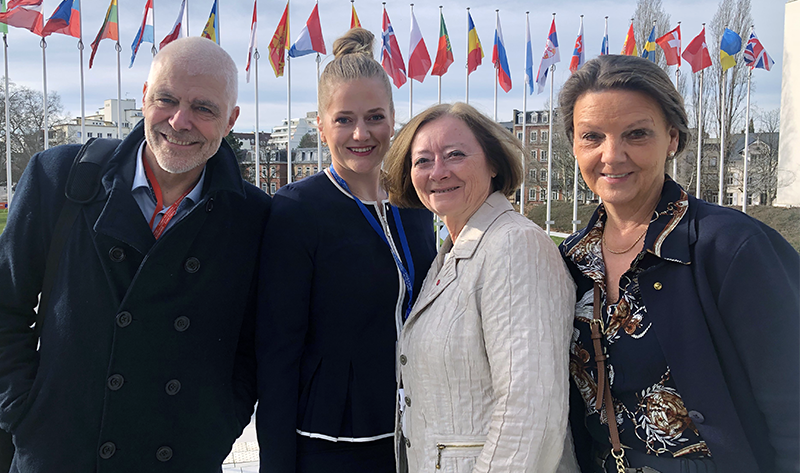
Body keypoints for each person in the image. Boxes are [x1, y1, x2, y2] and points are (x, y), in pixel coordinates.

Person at [0, 36, 269, 472]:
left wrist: (216, 431)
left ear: (231, 120)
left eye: (204, 108)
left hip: (179, 459)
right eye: (166, 99)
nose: (180, 121)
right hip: (59, 456)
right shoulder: (59, 178)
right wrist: (24, 414)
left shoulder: (252, 217)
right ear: (144, 98)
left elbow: (255, 345)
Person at [558, 54, 800, 473]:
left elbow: (792, 403)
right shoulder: (573, 261)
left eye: (636, 134)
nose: (611, 156)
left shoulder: (733, 247)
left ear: (672, 138)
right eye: (592, 136)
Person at [255, 28, 436, 473]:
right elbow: (278, 352)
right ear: (320, 123)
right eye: (343, 119)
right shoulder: (298, 209)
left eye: (375, 116)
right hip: (332, 442)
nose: (361, 133)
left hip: (420, 430)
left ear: (394, 117)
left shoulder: (415, 204)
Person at [385, 102, 577, 472]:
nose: (438, 172)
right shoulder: (454, 252)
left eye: (455, 155)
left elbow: (530, 409)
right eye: (422, 160)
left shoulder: (514, 245)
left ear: (493, 163)